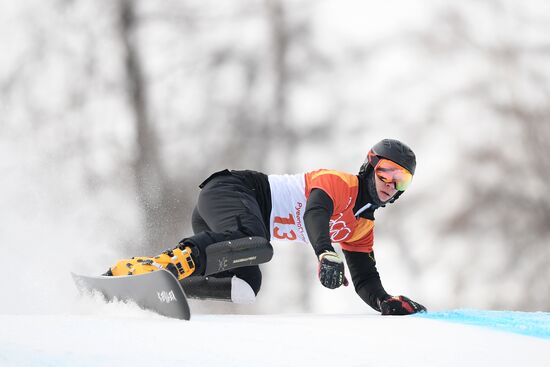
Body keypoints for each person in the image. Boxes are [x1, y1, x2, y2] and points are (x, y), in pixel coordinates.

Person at [106, 138, 427, 315]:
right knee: (258, 244)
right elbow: (314, 213)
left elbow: (365, 280)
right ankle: (152, 267)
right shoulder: (342, 183)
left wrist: (384, 302)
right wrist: (325, 252)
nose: (391, 184)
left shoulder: (362, 228)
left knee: (246, 287)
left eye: (402, 180)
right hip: (231, 191)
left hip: (230, 229)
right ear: (370, 167)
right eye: (386, 172)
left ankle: (166, 286)